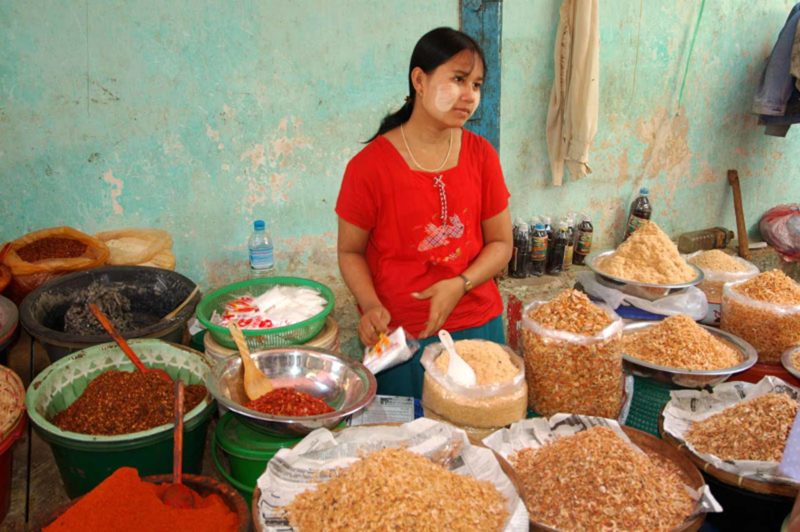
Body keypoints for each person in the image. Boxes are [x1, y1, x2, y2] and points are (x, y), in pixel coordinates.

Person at [335, 27, 513, 398]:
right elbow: (350, 251)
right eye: (459, 79)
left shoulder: (481, 156)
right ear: (420, 79)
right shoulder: (369, 167)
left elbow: (500, 243)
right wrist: (369, 306)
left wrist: (460, 284)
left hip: (479, 328)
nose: (470, 96)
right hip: (402, 342)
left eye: (477, 85)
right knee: (407, 447)